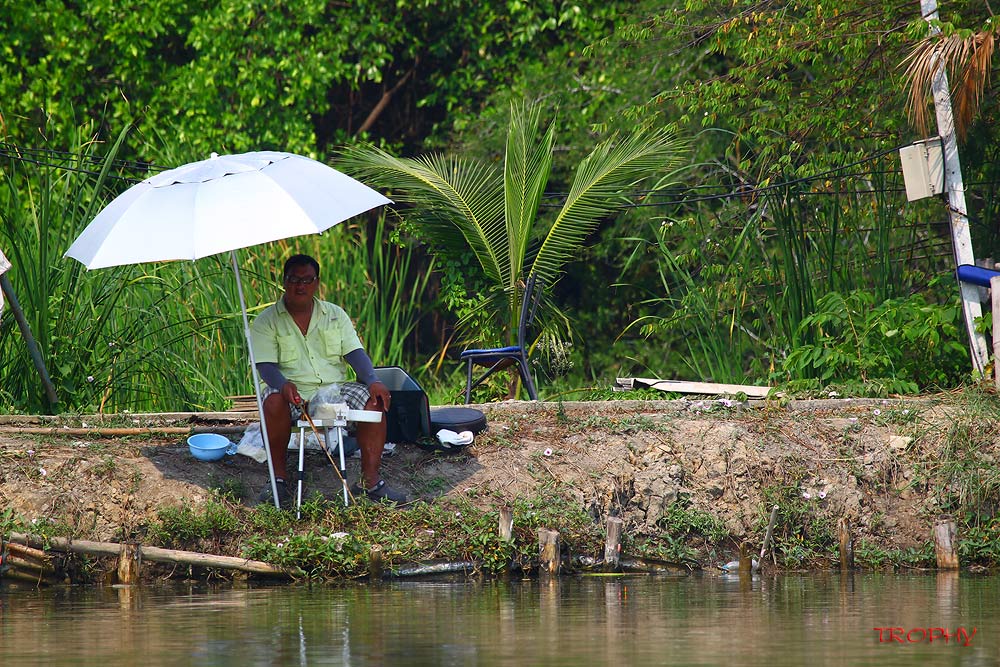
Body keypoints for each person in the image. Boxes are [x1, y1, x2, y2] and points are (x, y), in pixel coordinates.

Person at [250, 253, 407, 506]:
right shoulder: (266, 321)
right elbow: (265, 365)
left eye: (307, 280)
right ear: (284, 281)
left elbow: (355, 353)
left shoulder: (335, 314)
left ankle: (371, 482)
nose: (300, 286)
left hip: (335, 390)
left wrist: (373, 380)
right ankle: (277, 480)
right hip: (292, 391)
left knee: (375, 401)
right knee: (272, 401)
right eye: (294, 279)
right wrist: (283, 385)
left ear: (316, 282)